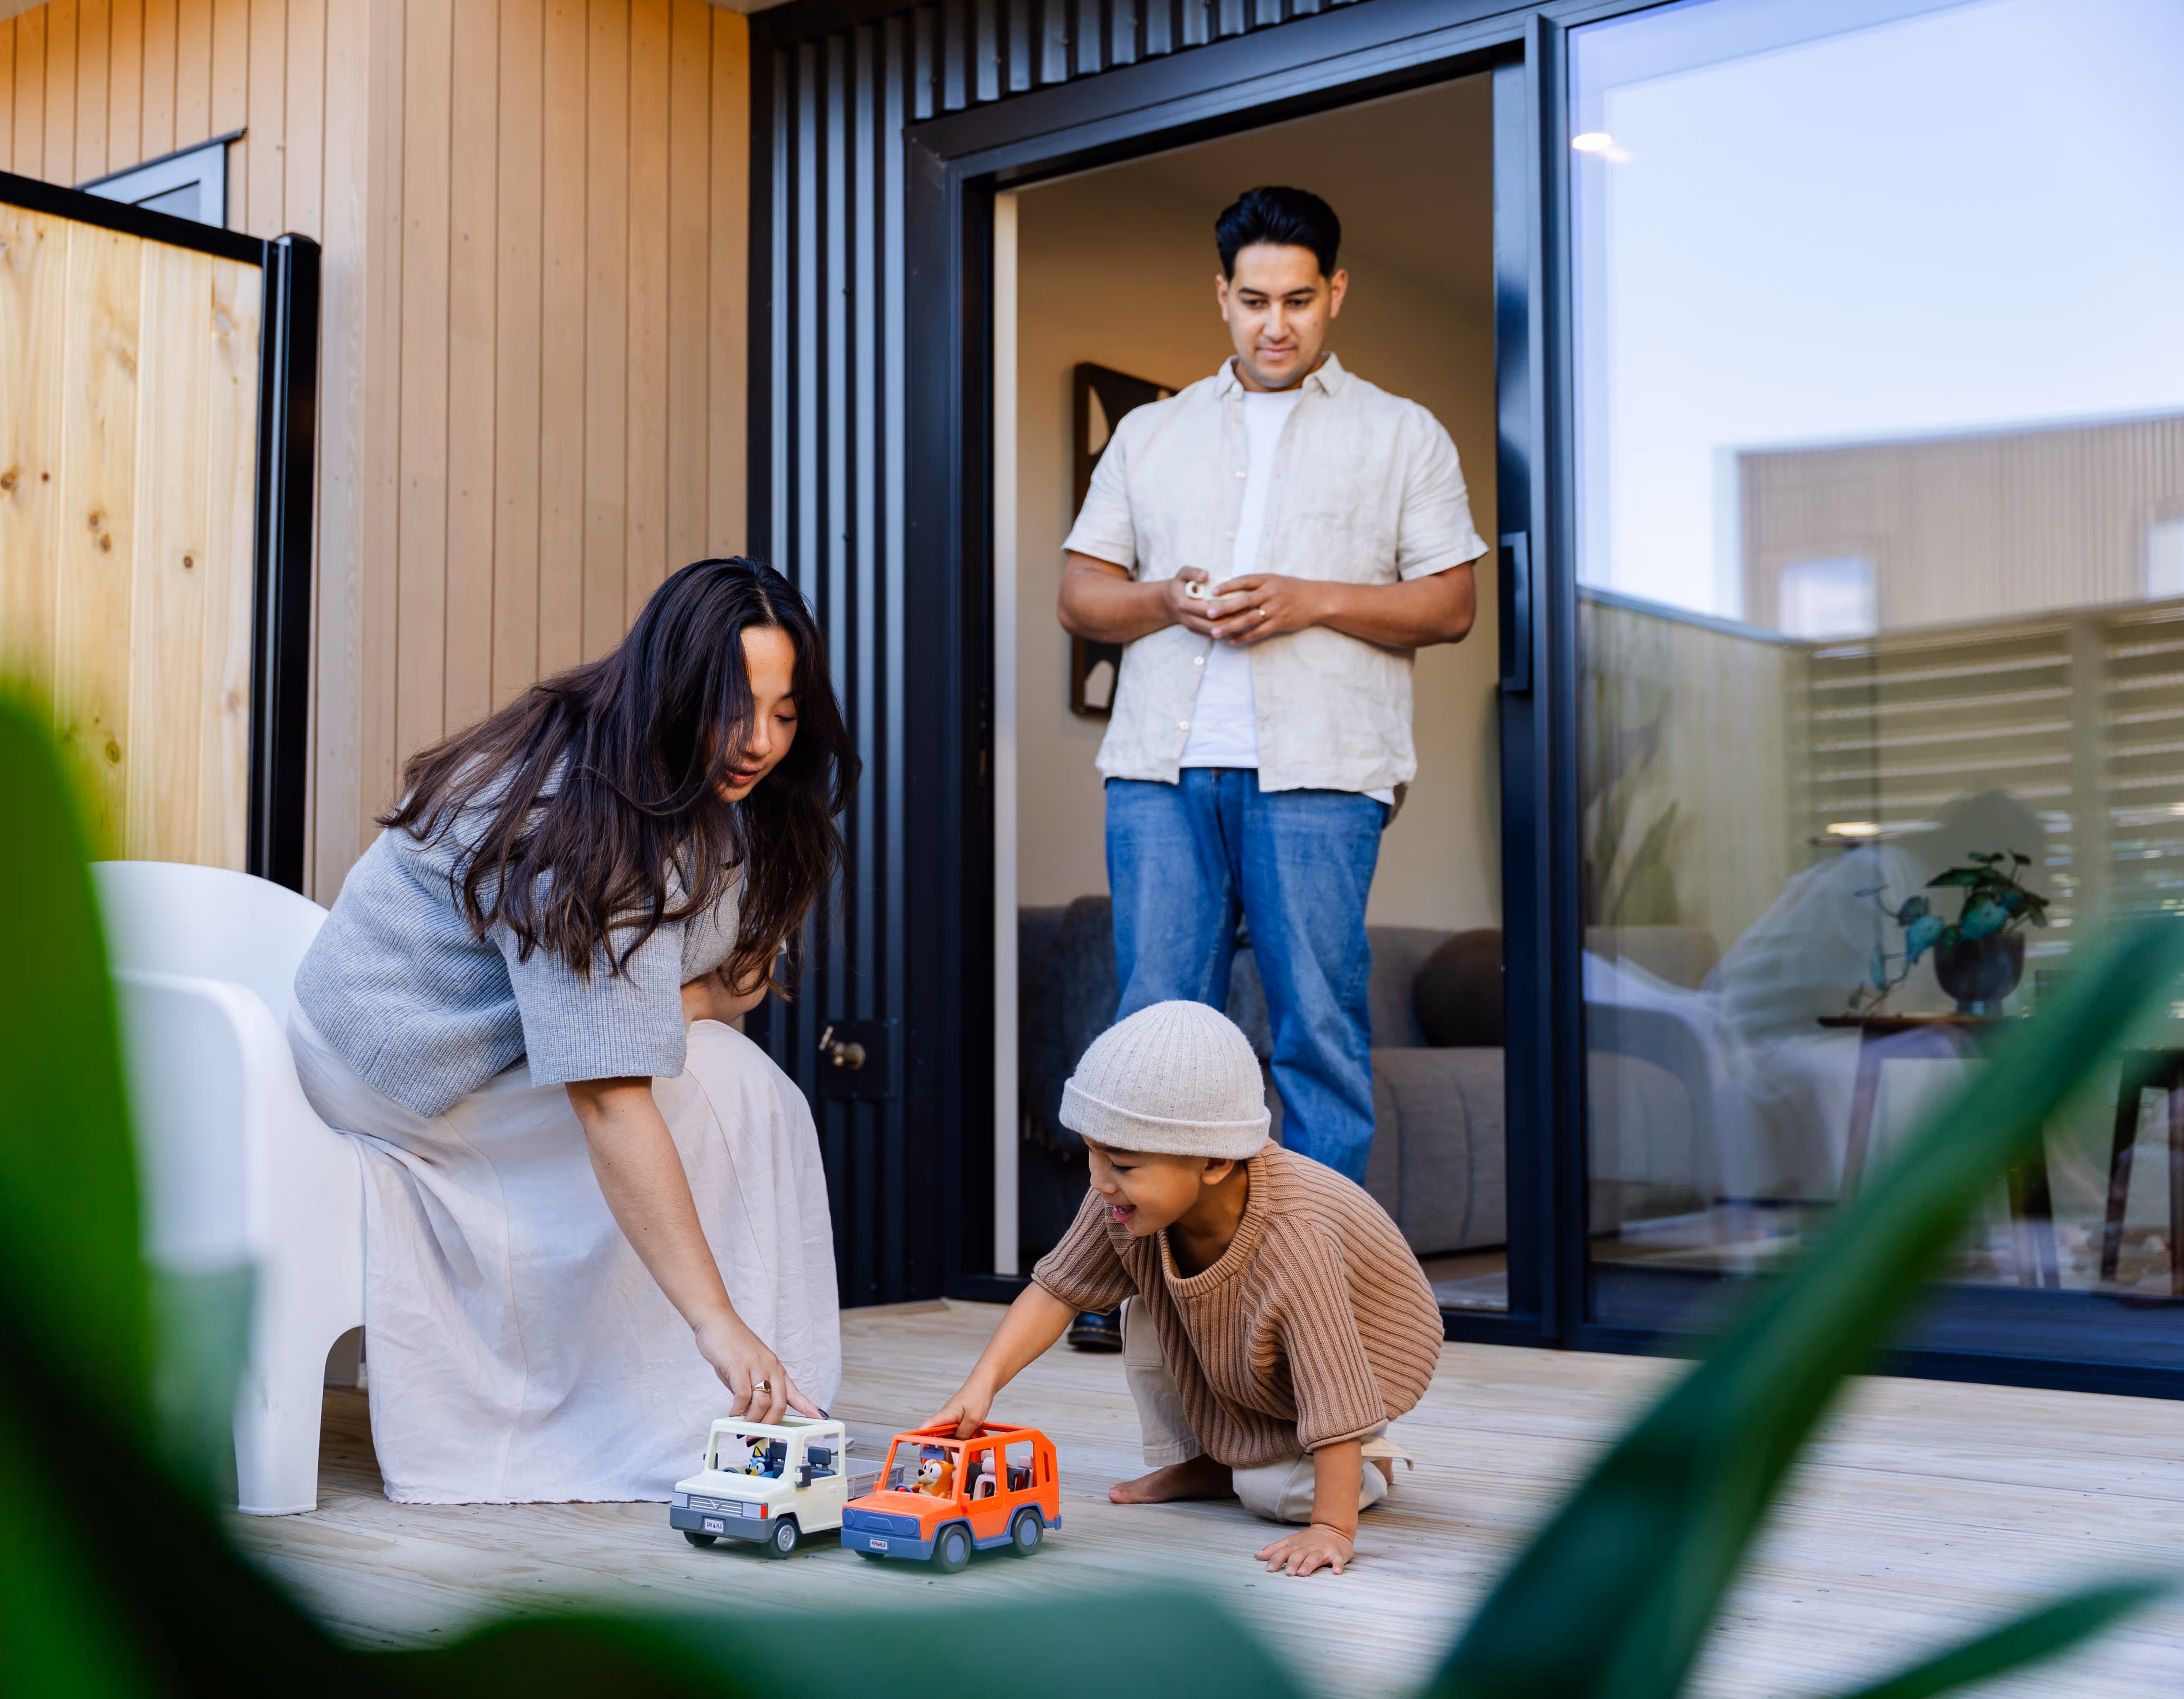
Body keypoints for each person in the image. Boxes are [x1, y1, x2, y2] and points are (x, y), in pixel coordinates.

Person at [288, 556, 857, 1504]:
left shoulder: (707, 786)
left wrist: (672, 1005)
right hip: (391, 1063)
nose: (760, 740)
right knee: (722, 1094)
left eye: (787, 711)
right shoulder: (579, 815)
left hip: (479, 1046)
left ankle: (747, 1402)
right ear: (674, 688)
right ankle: (681, 1408)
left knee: (726, 1067)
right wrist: (716, 1320)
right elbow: (609, 1095)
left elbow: (741, 982)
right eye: (734, 707)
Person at [1055, 185, 1488, 1185]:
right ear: (1222, 296)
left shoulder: (1402, 433)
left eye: (1297, 300)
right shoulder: (1152, 434)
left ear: (1335, 292)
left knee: (1318, 1035)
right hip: (1160, 771)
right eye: (1254, 301)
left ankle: (1318, 1286)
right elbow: (1082, 596)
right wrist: (1166, 598)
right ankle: (1146, 1281)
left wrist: (1311, 599)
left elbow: (1451, 604)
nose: (1275, 324)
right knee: (1155, 1031)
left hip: (1321, 774)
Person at [927, 1001, 1442, 1578]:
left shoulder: (1296, 1237)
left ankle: (1373, 1464)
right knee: (1142, 1309)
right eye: (1091, 1154)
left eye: (1120, 1163)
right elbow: (1056, 1291)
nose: (1099, 1181)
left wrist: (1331, 1527)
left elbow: (1335, 1381)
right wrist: (982, 1384)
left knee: (1274, 1497)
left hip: (1358, 1363)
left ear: (1217, 1163)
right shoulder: (1123, 1204)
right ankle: (1210, 1463)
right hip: (1251, 1346)